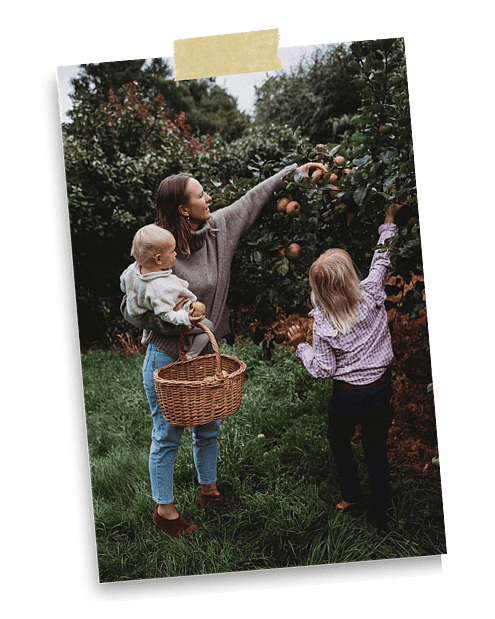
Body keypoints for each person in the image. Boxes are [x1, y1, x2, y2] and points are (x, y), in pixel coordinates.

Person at [122, 161, 327, 538]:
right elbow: (130, 307)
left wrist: (296, 169)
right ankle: (165, 512)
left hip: (205, 354)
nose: (208, 197)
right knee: (167, 434)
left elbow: (253, 198)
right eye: (200, 195)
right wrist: (174, 320)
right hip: (167, 356)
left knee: (209, 424)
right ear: (183, 208)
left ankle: (209, 491)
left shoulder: (219, 230)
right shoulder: (157, 247)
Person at [287, 202, 404, 526]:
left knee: (339, 440)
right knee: (376, 451)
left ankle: (351, 494)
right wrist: (389, 217)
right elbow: (383, 256)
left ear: (318, 290)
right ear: (352, 275)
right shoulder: (372, 291)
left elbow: (323, 369)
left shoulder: (323, 325)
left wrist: (301, 347)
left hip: (347, 397)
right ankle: (382, 515)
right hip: (380, 391)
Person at [120, 224, 210, 359]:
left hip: (144, 306)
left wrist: (138, 292)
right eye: (172, 251)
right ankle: (191, 355)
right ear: (158, 259)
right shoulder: (159, 288)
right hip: (175, 309)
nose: (175, 253)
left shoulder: (133, 269)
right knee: (208, 329)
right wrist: (186, 318)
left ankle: (146, 336)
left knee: (148, 305)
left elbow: (123, 285)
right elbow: (166, 315)